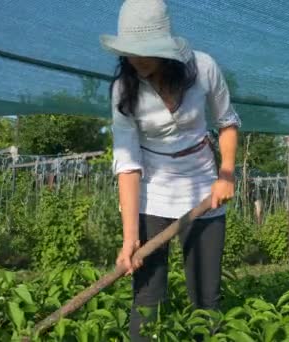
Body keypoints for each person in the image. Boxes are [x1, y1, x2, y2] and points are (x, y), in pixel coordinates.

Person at [99, 0, 241, 340]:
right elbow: (128, 165)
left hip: (204, 190)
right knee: (148, 298)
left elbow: (227, 122)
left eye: (146, 51)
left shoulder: (203, 68)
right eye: (131, 52)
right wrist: (130, 237)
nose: (138, 59)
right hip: (153, 192)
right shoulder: (124, 90)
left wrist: (225, 174)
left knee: (206, 297)